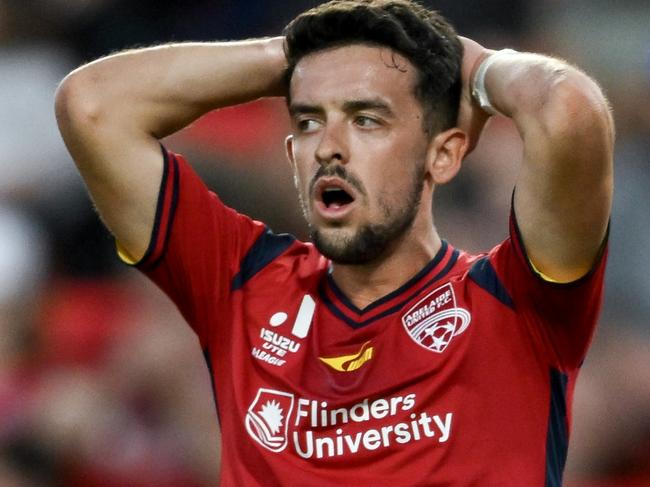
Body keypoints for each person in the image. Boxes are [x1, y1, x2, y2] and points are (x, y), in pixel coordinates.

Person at [54, 0, 614, 485]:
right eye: (309, 121)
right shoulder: (241, 285)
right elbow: (92, 104)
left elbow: (568, 111)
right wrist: (305, 58)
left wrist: (480, 67)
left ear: (442, 154)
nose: (329, 148)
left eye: (367, 119)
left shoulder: (515, 303)